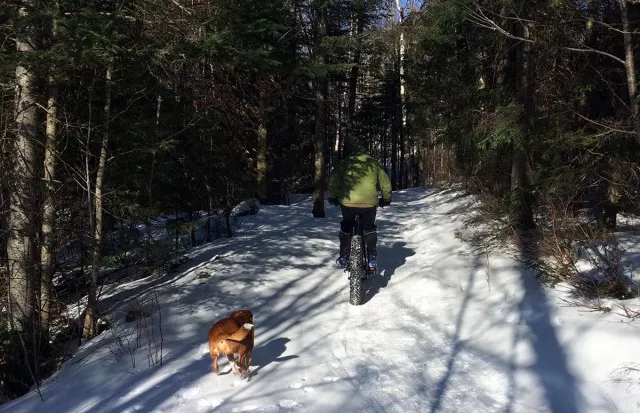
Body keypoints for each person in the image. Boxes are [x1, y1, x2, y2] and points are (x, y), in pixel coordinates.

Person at [327, 150, 392, 273]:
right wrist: (386, 199)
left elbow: (333, 181)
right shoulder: (374, 164)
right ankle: (372, 257)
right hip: (369, 203)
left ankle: (344, 256)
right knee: (369, 228)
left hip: (347, 202)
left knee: (346, 227)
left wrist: (332, 197)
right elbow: (386, 183)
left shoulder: (344, 163)